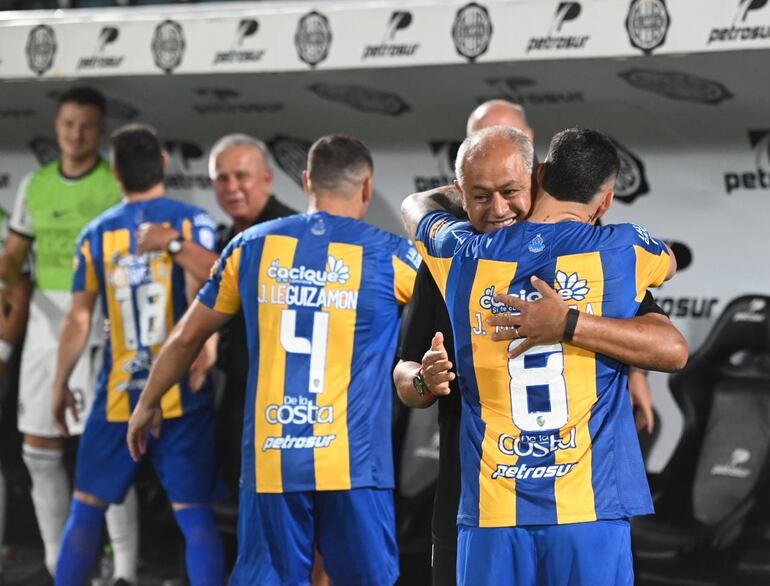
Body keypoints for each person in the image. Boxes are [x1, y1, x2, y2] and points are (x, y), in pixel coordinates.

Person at [392, 100, 684, 585]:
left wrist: (564, 323)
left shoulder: (458, 256)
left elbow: (414, 207)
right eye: (480, 194)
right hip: (553, 502)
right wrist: (423, 379)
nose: (498, 208)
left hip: (496, 508)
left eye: (510, 190)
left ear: (537, 177)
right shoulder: (617, 253)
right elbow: (669, 270)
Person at [127, 134, 420, 585]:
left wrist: (148, 401)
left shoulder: (251, 247)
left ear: (306, 182)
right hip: (354, 464)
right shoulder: (393, 256)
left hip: (273, 460)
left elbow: (187, 335)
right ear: (366, 188)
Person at [51, 124, 224, 586]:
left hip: (119, 394)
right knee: (195, 518)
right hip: (181, 391)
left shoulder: (96, 233)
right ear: (165, 164)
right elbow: (217, 282)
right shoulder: (192, 221)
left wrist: (58, 383)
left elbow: (78, 319)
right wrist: (208, 344)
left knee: (86, 511)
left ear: (115, 172)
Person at [0, 86, 138, 582]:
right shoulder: (35, 185)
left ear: (99, 130)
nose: (75, 133)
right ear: (56, 127)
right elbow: (15, 255)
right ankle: (61, 564)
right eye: (67, 124)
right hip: (42, 326)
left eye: (85, 125)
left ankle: (122, 568)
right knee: (38, 450)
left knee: (108, 449)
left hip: (100, 322)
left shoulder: (115, 185)